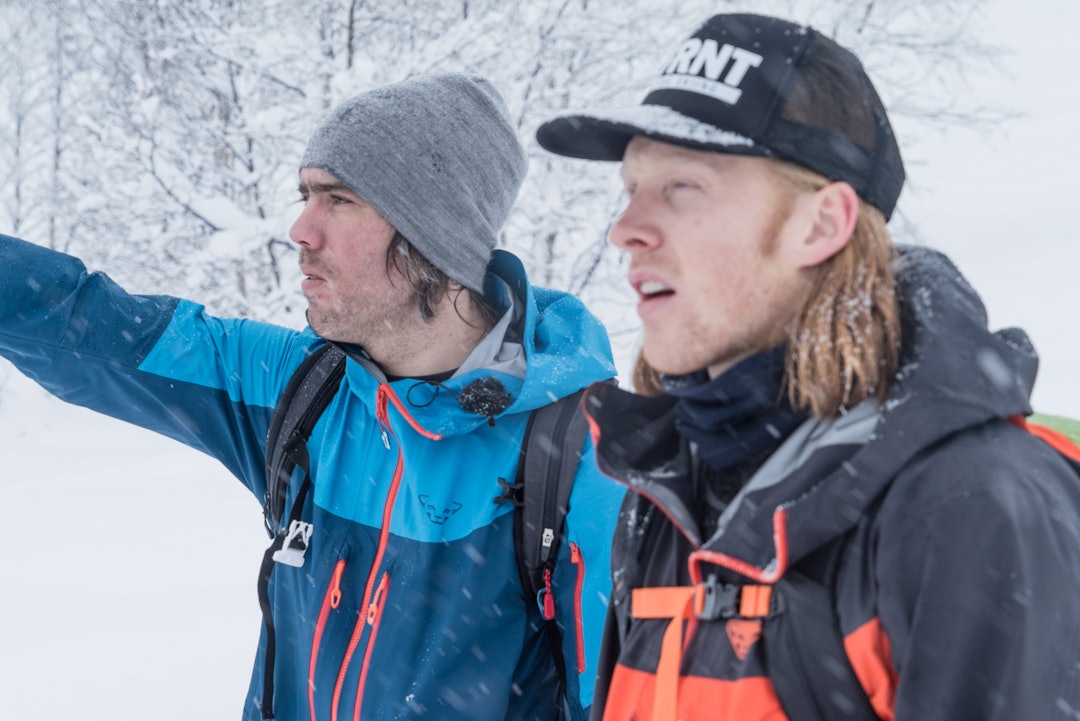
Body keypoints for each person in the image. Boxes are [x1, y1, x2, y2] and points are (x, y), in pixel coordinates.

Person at [0, 73, 624, 720]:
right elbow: (89, 326)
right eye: (305, 195)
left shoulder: (584, 462)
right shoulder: (305, 389)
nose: (300, 228)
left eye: (339, 198)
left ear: (433, 231)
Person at [535, 12, 1080, 721]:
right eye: (632, 187)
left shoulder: (967, 503)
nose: (624, 229)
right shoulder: (668, 485)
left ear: (820, 225)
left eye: (681, 188)